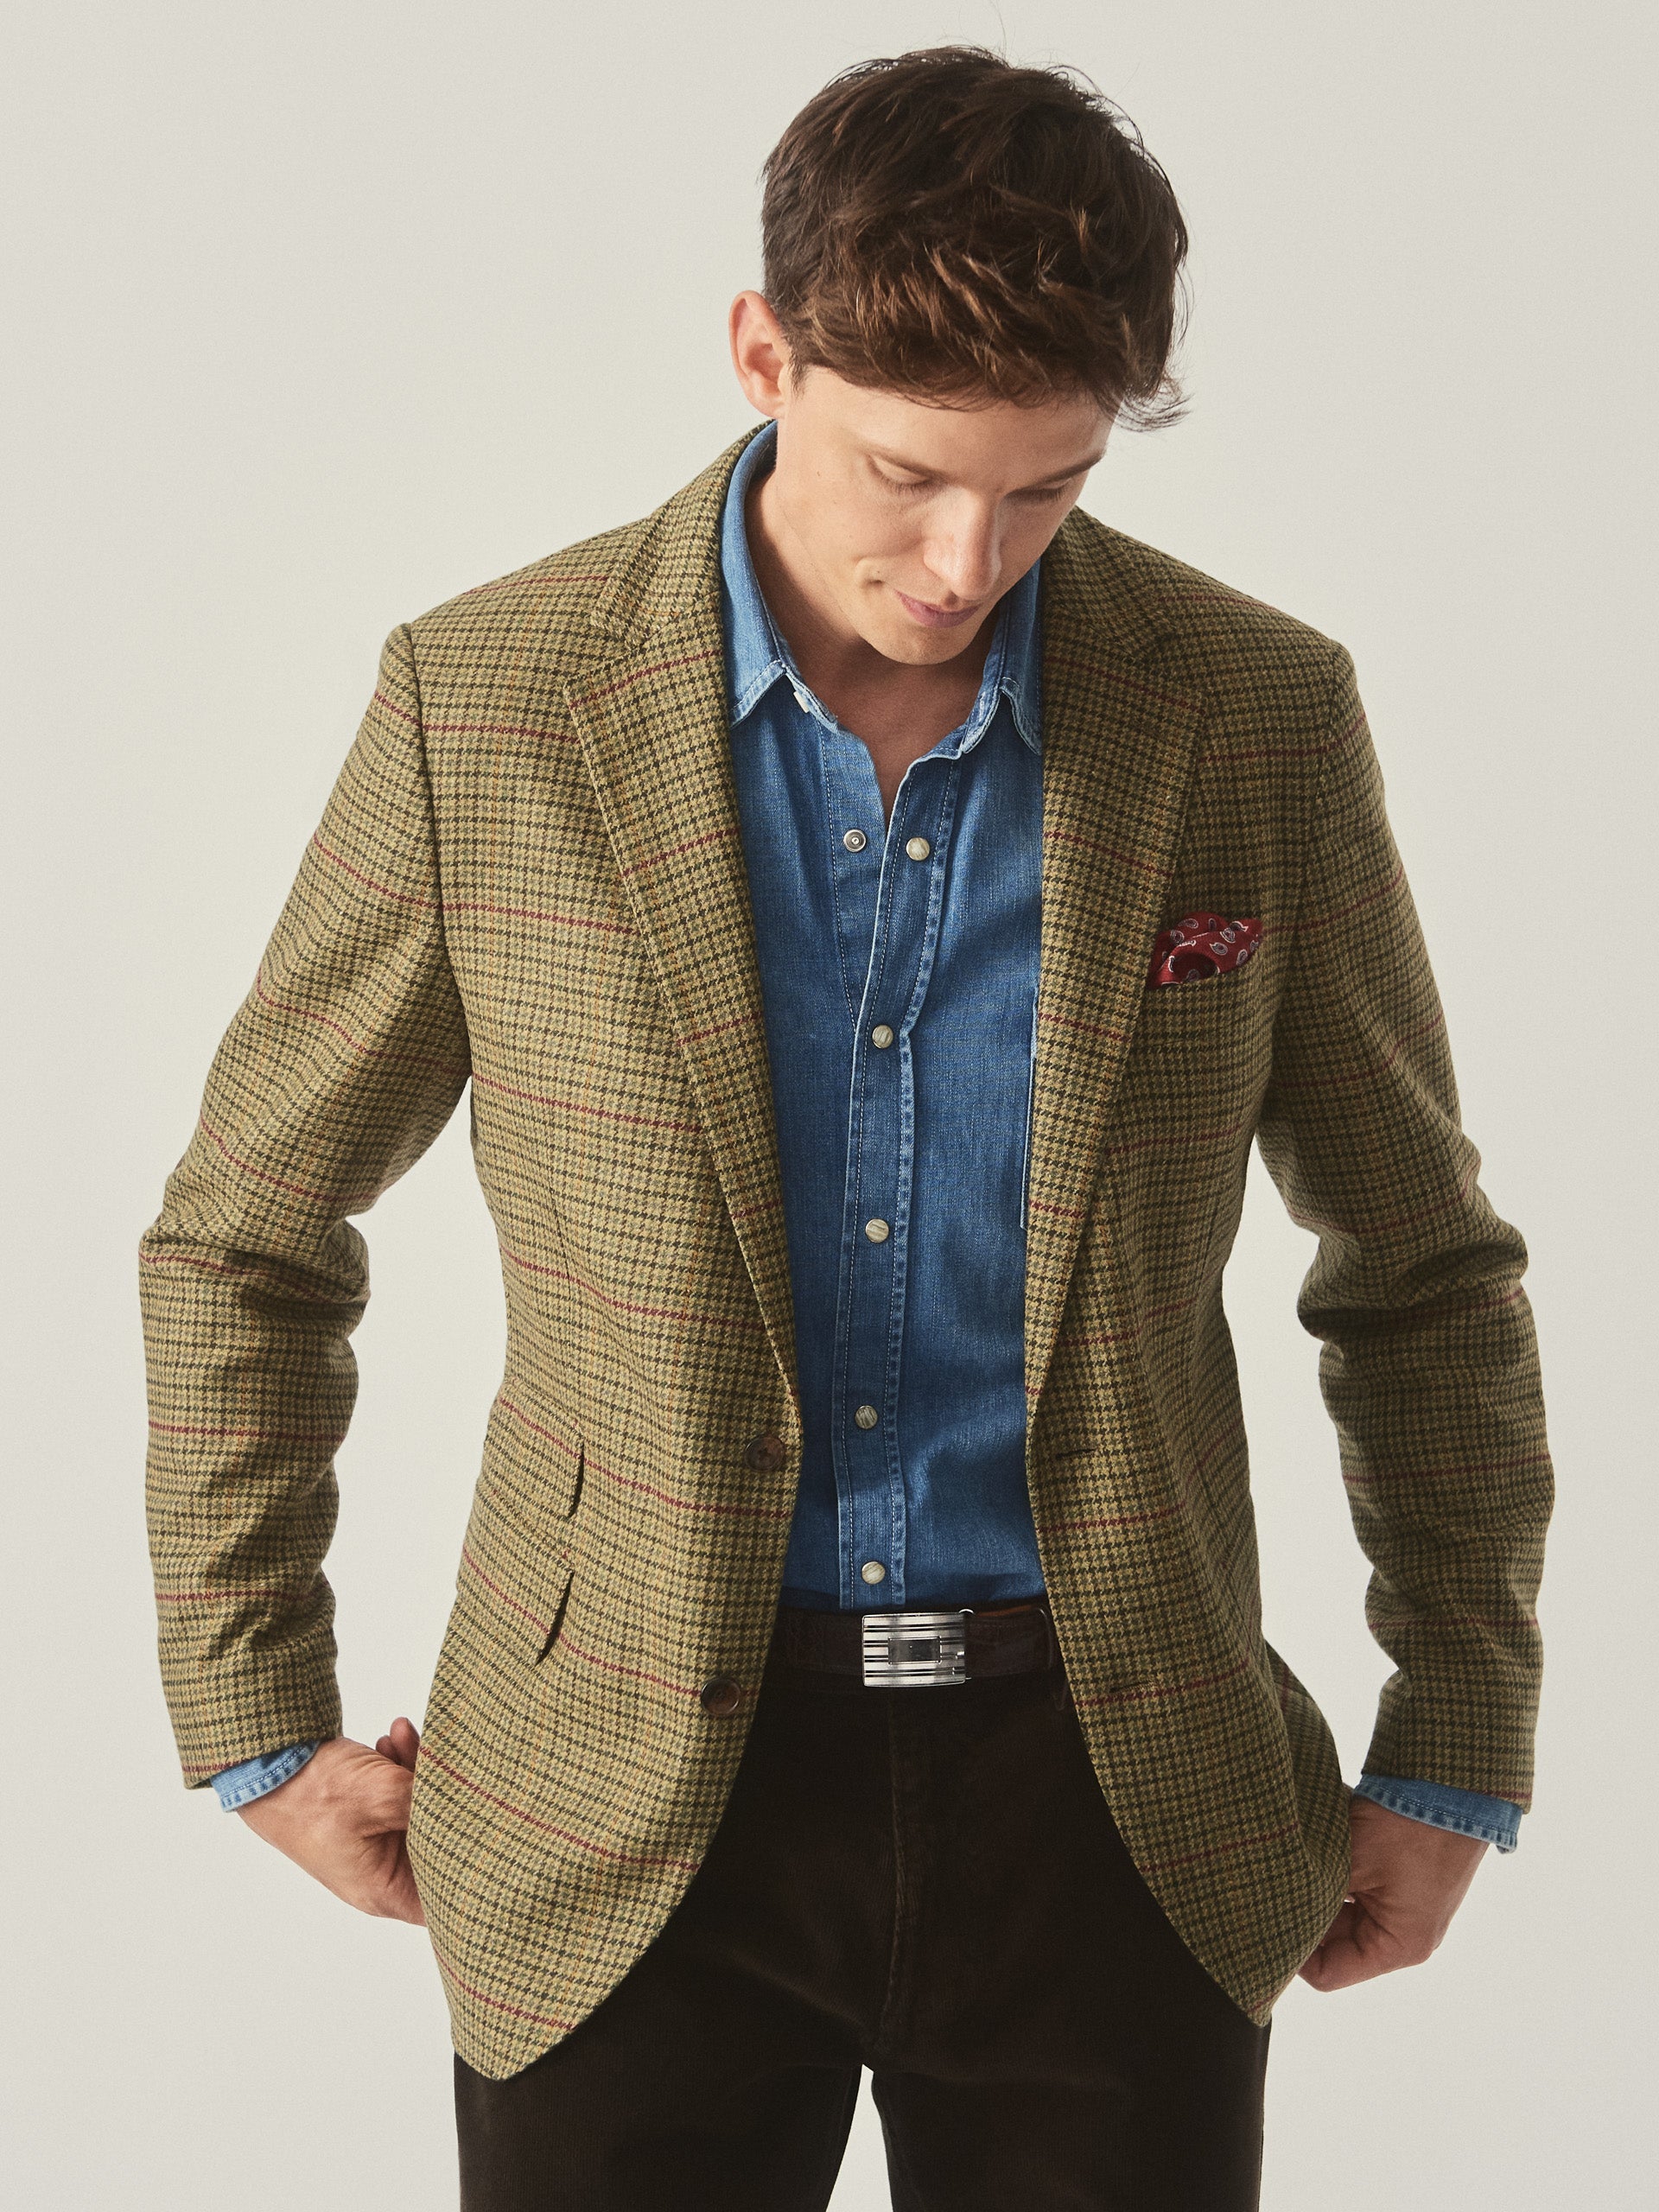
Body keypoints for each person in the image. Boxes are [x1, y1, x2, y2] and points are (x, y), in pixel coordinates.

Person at [140, 46, 1553, 2210]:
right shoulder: (486, 708)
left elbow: (1421, 1267)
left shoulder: (1256, 714)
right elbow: (249, 1232)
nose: (967, 558)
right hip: (622, 1805)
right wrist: (253, 1700)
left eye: (1047, 489)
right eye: (907, 472)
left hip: (1116, 1795)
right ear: (761, 352)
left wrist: (1454, 1737)